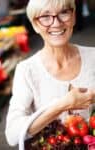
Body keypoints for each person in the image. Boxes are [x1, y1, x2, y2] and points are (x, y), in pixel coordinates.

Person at [5, 0, 95, 149]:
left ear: (73, 16)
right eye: (45, 17)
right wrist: (62, 106)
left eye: (64, 13)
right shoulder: (27, 71)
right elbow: (12, 135)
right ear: (35, 25)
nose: (56, 23)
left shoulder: (93, 56)